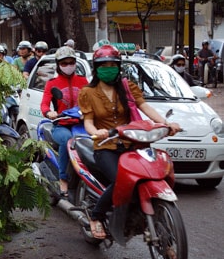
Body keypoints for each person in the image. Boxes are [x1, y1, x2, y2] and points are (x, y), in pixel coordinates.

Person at [77, 44, 181, 239]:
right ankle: (96, 216)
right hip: (106, 146)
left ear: (119, 66)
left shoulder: (128, 87)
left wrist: (166, 124)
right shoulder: (87, 93)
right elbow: (88, 122)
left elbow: (145, 107)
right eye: (103, 65)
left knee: (148, 175)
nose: (108, 68)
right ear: (96, 68)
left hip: (132, 144)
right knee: (120, 181)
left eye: (112, 64)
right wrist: (97, 132)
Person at [40, 46, 88, 198]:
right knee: (67, 140)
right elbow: (44, 104)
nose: (68, 66)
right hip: (61, 125)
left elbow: (91, 100)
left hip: (81, 124)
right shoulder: (52, 83)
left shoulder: (83, 81)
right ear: (58, 65)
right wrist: (49, 112)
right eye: (64, 63)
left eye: (71, 62)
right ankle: (63, 178)